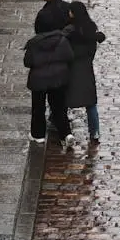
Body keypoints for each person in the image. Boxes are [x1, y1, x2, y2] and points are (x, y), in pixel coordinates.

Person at [24, 21, 75, 149]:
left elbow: (27, 61)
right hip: (58, 79)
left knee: (38, 108)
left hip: (39, 80)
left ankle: (38, 135)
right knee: (59, 107)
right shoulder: (62, 40)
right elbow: (70, 56)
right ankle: (65, 134)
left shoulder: (34, 43)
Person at [64, 1, 106, 145]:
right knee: (90, 103)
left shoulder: (69, 31)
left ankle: (61, 129)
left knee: (62, 100)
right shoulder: (90, 29)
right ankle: (95, 132)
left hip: (71, 70)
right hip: (86, 69)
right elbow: (92, 50)